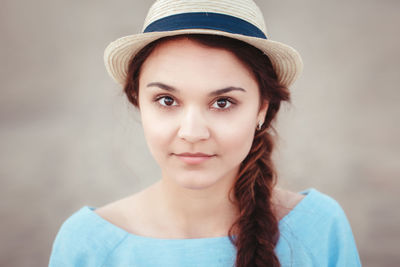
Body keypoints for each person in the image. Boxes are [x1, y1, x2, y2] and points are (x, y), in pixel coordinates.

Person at [49, 0, 361, 266]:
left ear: (262, 108)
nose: (192, 132)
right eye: (167, 100)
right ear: (139, 103)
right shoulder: (87, 244)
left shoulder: (318, 228)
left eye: (223, 102)